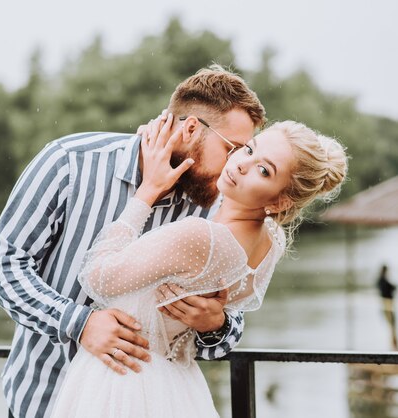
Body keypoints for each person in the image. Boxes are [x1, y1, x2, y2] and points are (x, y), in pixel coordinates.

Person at [0, 65, 266, 418]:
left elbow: (225, 333)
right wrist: (79, 324)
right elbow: (4, 266)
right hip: (45, 399)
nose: (236, 165)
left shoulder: (219, 208)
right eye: (233, 149)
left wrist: (215, 325)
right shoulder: (69, 162)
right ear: (192, 128)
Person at [50, 117, 348, 417]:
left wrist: (147, 191)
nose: (242, 164)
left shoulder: (200, 236)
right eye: (248, 149)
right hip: (178, 385)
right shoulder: (271, 241)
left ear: (280, 202)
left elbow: (98, 277)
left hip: (126, 381)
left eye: (263, 170)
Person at [376, 264, 397, 349]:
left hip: (386, 304)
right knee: (392, 325)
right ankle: (393, 345)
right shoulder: (383, 281)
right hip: (387, 304)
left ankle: (393, 344)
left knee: (392, 325)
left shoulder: (380, 280)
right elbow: (390, 288)